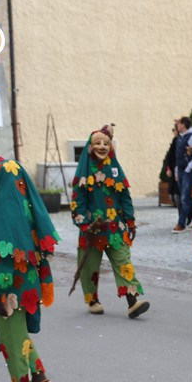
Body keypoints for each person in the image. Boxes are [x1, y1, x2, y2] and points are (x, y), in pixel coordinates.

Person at [0, 150, 60, 382]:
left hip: (10, 288)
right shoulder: (24, 209)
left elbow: (3, 255)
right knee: (20, 331)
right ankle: (38, 376)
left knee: (9, 334)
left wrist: (1, 292)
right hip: (28, 286)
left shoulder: (4, 211)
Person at [69, 124, 150, 318]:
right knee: (90, 267)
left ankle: (132, 302)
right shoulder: (83, 174)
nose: (102, 146)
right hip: (92, 229)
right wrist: (84, 224)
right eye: (98, 143)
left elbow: (125, 197)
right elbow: (77, 202)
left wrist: (130, 222)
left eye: (106, 143)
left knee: (123, 262)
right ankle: (92, 299)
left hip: (115, 228)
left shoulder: (115, 171)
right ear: (90, 147)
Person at [173, 116, 192, 233]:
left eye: (179, 124)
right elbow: (179, 157)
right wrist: (177, 171)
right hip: (181, 171)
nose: (177, 126)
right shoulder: (182, 137)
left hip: (188, 172)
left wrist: (188, 169)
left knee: (185, 198)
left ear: (184, 124)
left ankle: (181, 224)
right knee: (187, 198)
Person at [162, 121, 180, 208]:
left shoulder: (181, 141)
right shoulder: (174, 140)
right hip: (173, 169)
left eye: (174, 130)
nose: (174, 132)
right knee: (172, 189)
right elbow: (169, 157)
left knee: (178, 191)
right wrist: (168, 168)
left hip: (179, 169)